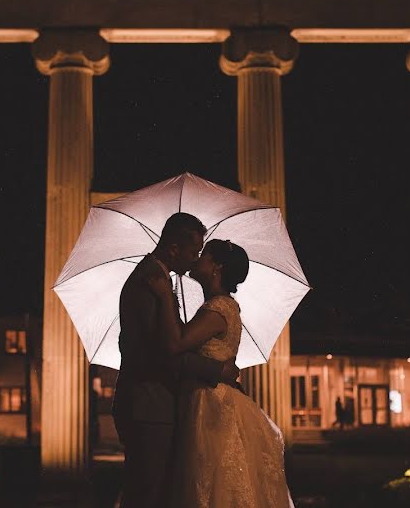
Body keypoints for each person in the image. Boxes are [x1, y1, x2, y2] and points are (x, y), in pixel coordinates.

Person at [148, 238, 294, 507]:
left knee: (206, 481)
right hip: (208, 397)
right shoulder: (221, 306)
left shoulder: (217, 309)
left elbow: (177, 344)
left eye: (203, 255)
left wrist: (165, 297)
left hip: (210, 404)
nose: (197, 259)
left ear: (216, 267)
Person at [112, 213, 240, 508]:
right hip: (148, 404)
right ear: (173, 250)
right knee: (147, 494)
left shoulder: (159, 278)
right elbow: (159, 353)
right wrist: (215, 369)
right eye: (194, 252)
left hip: (157, 405)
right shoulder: (149, 281)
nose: (196, 260)